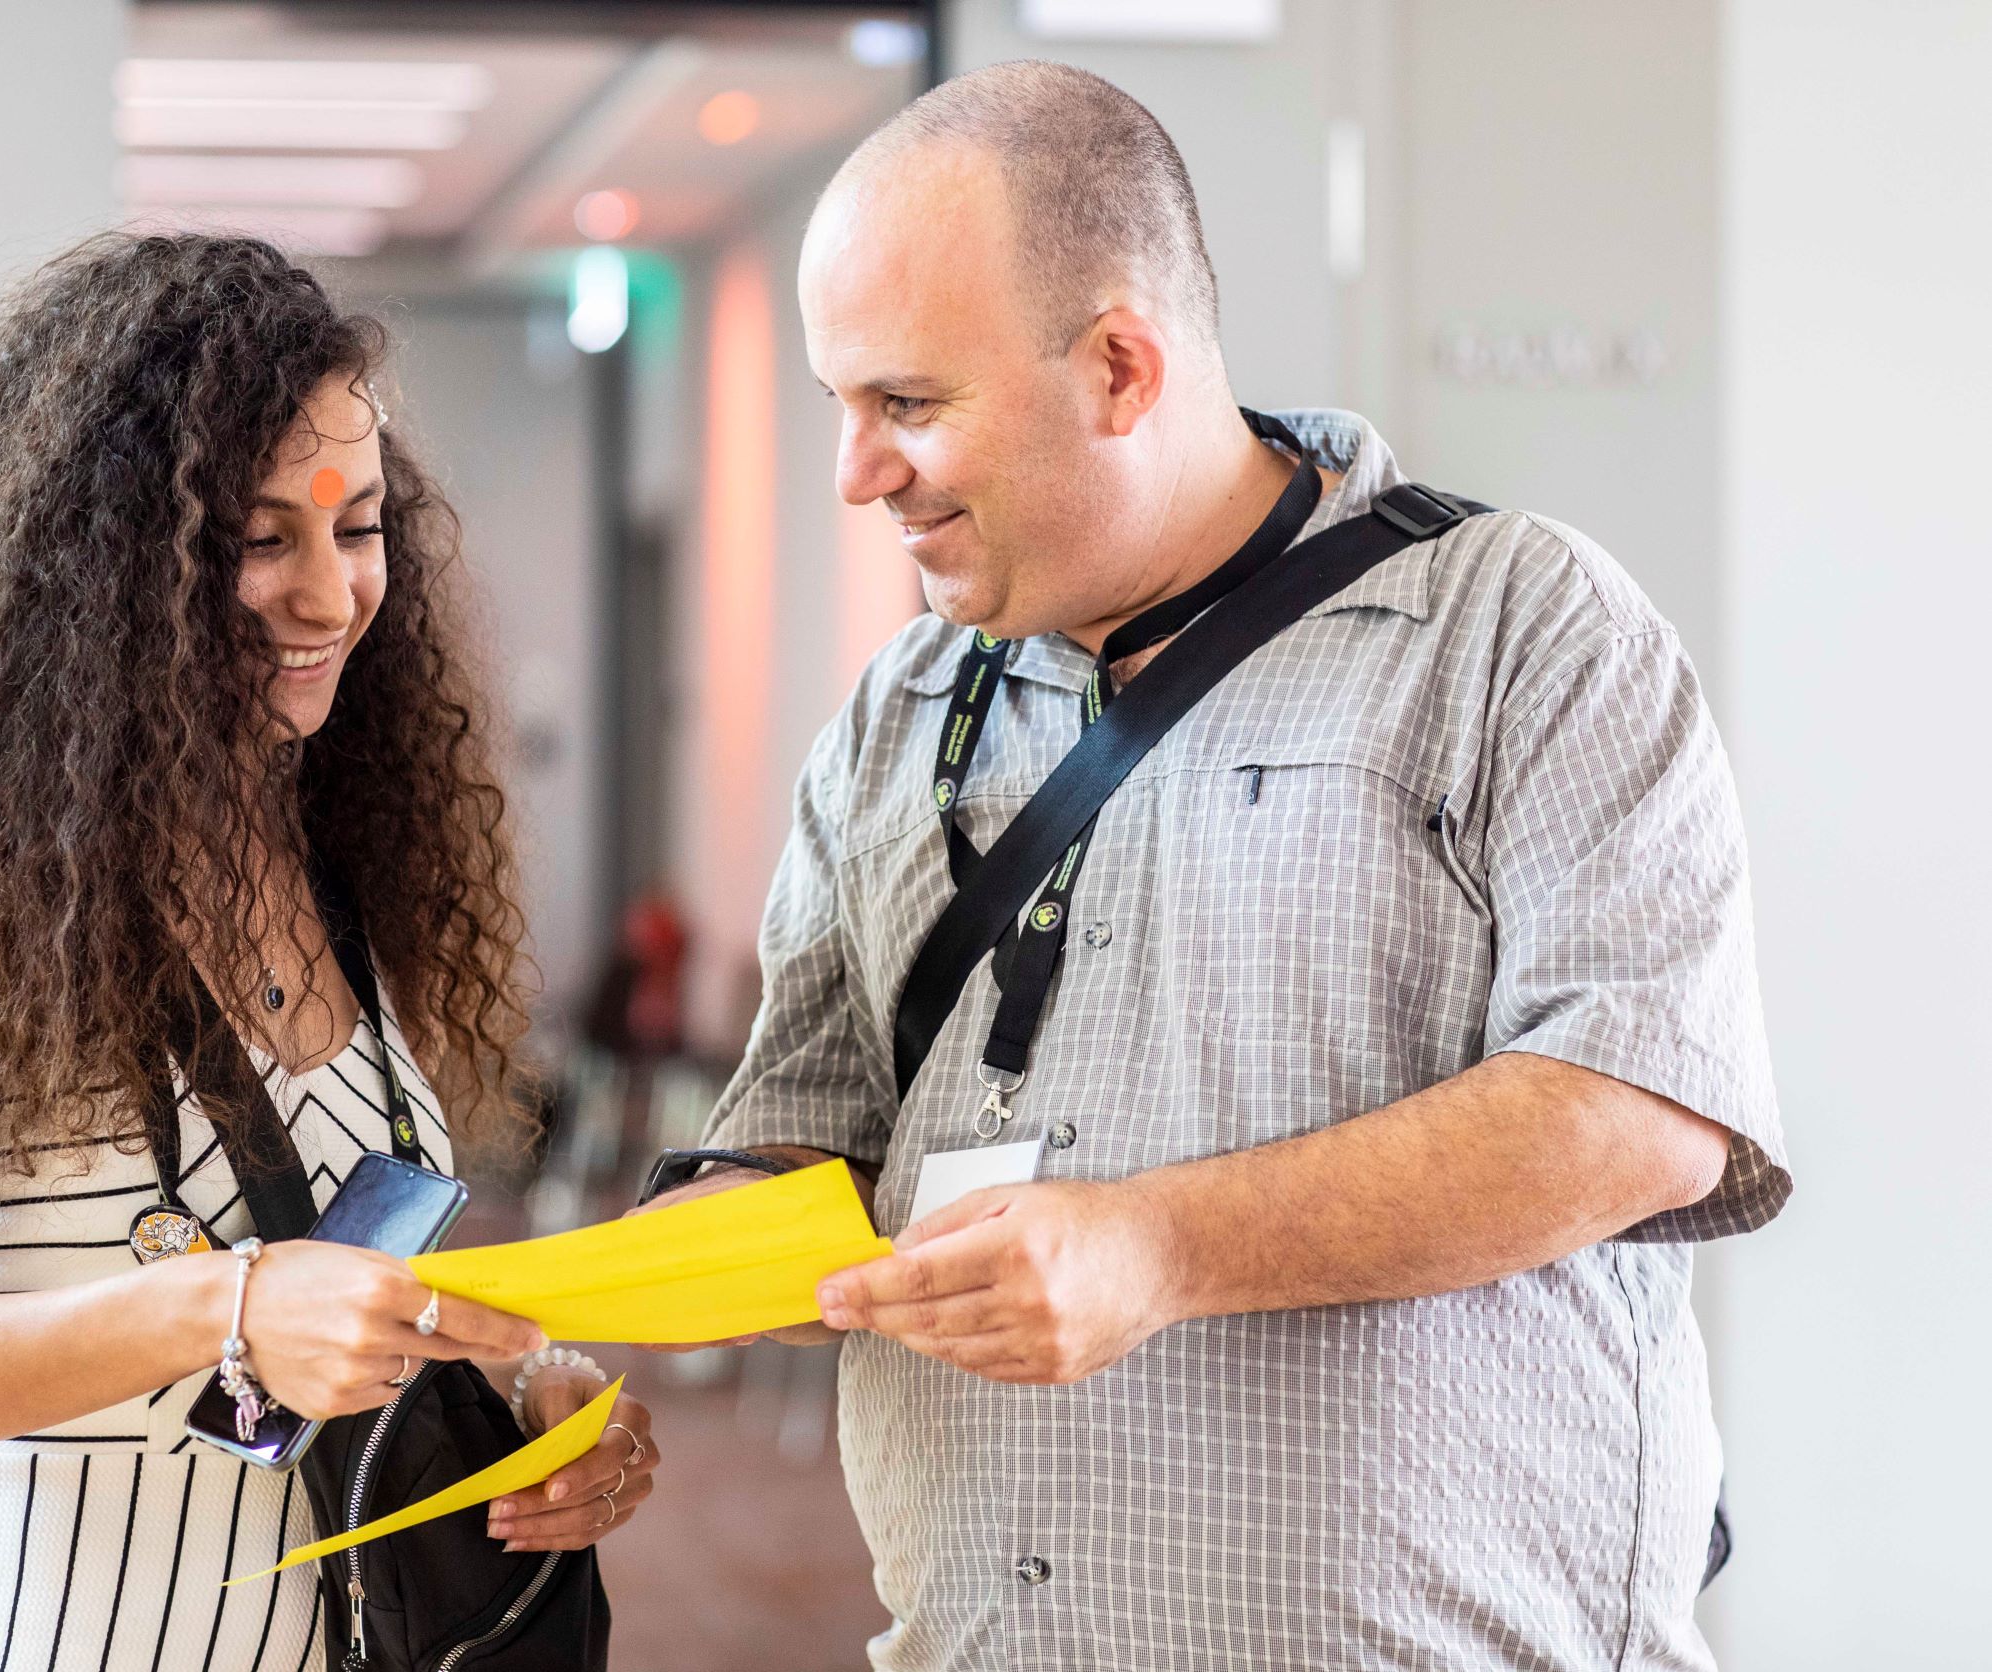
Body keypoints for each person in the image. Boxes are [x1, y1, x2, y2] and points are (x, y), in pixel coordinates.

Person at [647, 62, 1789, 1671]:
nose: (857, 473)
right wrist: (604, 1302)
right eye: (842, 406)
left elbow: (1636, 1116)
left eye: (906, 404)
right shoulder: (900, 711)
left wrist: (1158, 1245)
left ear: (1121, 367)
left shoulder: (1521, 629)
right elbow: (799, 1142)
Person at [0, 234, 657, 1670]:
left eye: (360, 525)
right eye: (263, 539)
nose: (331, 596)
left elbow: (353, 1272)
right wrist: (227, 1308)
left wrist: (531, 1399)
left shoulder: (341, 847)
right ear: (113, 564)